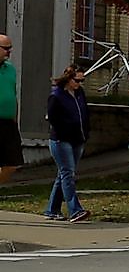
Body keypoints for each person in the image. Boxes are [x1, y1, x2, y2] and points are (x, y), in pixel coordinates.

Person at [45, 65, 88, 222]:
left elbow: (84, 113)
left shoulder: (79, 93)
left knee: (63, 174)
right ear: (68, 79)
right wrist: (67, 129)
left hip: (78, 139)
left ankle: (52, 209)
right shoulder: (56, 96)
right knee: (68, 174)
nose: (79, 83)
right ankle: (75, 210)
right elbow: (53, 118)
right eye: (77, 80)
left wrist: (85, 132)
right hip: (61, 140)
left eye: (82, 80)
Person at [0, 32, 18, 186]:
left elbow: (13, 93)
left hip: (8, 123)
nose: (9, 52)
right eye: (5, 48)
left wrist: (14, 117)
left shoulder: (11, 69)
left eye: (10, 48)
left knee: (12, 163)